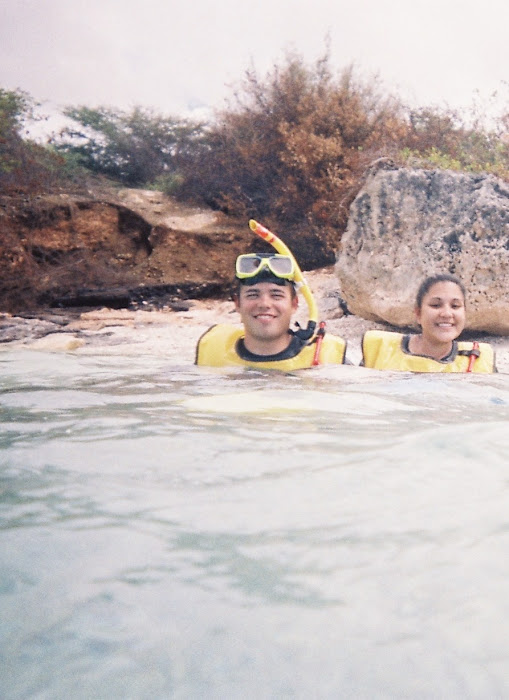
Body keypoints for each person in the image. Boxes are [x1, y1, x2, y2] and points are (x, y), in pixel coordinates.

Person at [195, 252, 347, 369]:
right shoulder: (213, 352)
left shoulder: (330, 359)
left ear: (294, 304)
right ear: (237, 304)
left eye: (276, 295)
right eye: (253, 295)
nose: (264, 304)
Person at [361, 273, 495, 373]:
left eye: (455, 306)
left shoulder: (478, 360)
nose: (447, 314)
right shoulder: (380, 349)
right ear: (418, 314)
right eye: (436, 305)